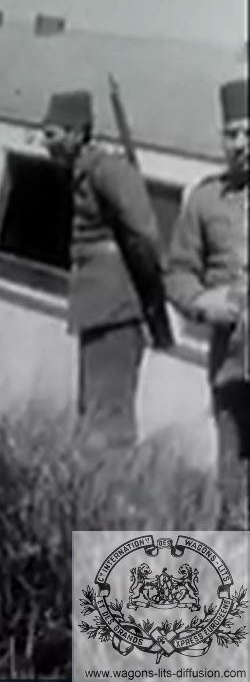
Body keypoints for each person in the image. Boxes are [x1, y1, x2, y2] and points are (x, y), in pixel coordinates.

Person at [41, 89, 168, 453]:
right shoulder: (85, 172)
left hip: (115, 307)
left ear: (77, 133)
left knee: (108, 419)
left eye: (51, 134)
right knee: (91, 410)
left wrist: (147, 288)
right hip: (98, 305)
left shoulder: (107, 170)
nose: (44, 144)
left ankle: (105, 496)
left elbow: (144, 232)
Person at [165, 77, 248, 529]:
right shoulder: (205, 200)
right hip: (232, 368)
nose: (240, 144)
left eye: (248, 133)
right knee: (233, 494)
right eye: (231, 133)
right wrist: (201, 303)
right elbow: (177, 272)